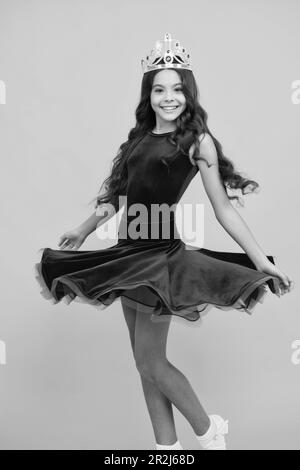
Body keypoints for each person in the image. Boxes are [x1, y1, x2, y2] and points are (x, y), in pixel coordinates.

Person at [35, 33, 294, 451]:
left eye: (177, 89)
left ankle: (210, 432)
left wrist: (261, 260)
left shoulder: (196, 142)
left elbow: (224, 209)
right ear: (148, 94)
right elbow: (120, 195)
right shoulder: (138, 139)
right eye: (159, 89)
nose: (168, 97)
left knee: (152, 360)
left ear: (188, 95)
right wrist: (83, 229)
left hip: (159, 261)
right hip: (125, 256)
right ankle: (166, 451)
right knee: (143, 364)